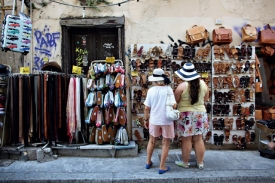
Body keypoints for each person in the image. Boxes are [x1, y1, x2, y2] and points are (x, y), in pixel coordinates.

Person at [174, 63, 209, 169]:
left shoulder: (181, 86)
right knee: (199, 139)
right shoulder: (203, 84)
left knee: (186, 139)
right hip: (200, 113)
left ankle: (185, 162)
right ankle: (201, 162)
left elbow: (176, 101)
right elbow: (206, 99)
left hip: (185, 114)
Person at [143, 68, 177, 174]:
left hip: (154, 119)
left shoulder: (151, 90)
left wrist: (145, 119)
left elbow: (146, 108)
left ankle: (148, 162)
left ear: (154, 79)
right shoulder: (169, 89)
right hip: (166, 120)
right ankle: (162, 167)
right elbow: (174, 105)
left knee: (152, 141)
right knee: (165, 143)